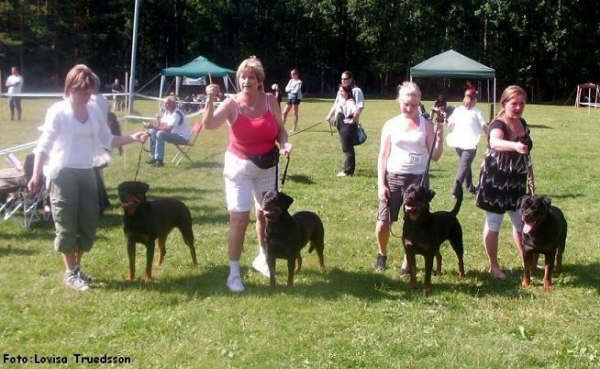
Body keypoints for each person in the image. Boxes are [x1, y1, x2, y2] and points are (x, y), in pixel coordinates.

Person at [27, 64, 147, 291]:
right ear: (70, 88)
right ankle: (70, 273)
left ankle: (77, 269)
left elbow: (107, 139)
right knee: (66, 225)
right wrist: (35, 175)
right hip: (62, 172)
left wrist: (133, 137)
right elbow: (43, 146)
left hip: (87, 172)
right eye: (82, 91)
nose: (86, 96)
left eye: (89, 91)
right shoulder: (58, 111)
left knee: (88, 224)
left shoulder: (92, 110)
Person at [201, 56, 292, 292]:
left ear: (259, 80)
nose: (246, 81)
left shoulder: (271, 101)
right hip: (239, 167)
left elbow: (281, 130)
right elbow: (209, 124)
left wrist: (284, 144)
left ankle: (263, 256)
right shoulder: (232, 104)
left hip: (268, 166)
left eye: (251, 76)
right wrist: (209, 99)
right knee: (239, 219)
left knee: (266, 214)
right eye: (242, 76)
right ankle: (234, 273)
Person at [374, 82, 444, 273]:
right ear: (399, 101)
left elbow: (435, 156)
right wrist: (382, 184)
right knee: (383, 223)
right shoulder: (390, 125)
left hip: (418, 180)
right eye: (406, 104)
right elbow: (382, 156)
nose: (409, 108)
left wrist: (440, 130)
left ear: (419, 102)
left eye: (414, 104)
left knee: (415, 223)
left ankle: (407, 262)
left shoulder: (426, 125)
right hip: (394, 177)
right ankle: (382, 254)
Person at [476, 85, 533, 280]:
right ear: (504, 103)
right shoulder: (498, 124)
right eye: (514, 103)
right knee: (494, 223)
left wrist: (530, 174)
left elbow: (527, 151)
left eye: (522, 103)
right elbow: (494, 142)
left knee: (522, 222)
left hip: (517, 182)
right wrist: (514, 145)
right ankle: (494, 266)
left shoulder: (522, 123)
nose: (518, 107)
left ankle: (527, 260)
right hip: (496, 183)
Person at [446, 88, 487, 196]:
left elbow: (450, 125)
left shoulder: (467, 111)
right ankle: (456, 189)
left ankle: (469, 187)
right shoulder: (468, 111)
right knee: (464, 165)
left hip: (464, 144)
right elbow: (484, 126)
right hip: (464, 144)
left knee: (465, 164)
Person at [145, 95, 191, 167]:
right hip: (173, 135)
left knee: (160, 134)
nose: (165, 105)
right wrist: (157, 120)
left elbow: (168, 129)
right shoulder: (167, 112)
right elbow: (161, 126)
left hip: (183, 137)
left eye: (167, 103)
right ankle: (154, 157)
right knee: (152, 131)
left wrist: (153, 126)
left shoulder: (176, 114)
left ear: (173, 104)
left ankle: (159, 161)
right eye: (164, 103)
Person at [325, 85, 358, 177]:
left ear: (347, 93)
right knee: (346, 148)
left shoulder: (350, 102)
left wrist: (352, 120)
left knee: (347, 149)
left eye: (342, 91)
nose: (340, 93)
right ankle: (347, 169)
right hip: (341, 126)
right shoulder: (341, 99)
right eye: (339, 91)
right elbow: (336, 108)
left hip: (347, 127)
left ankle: (348, 171)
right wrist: (329, 116)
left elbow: (356, 111)